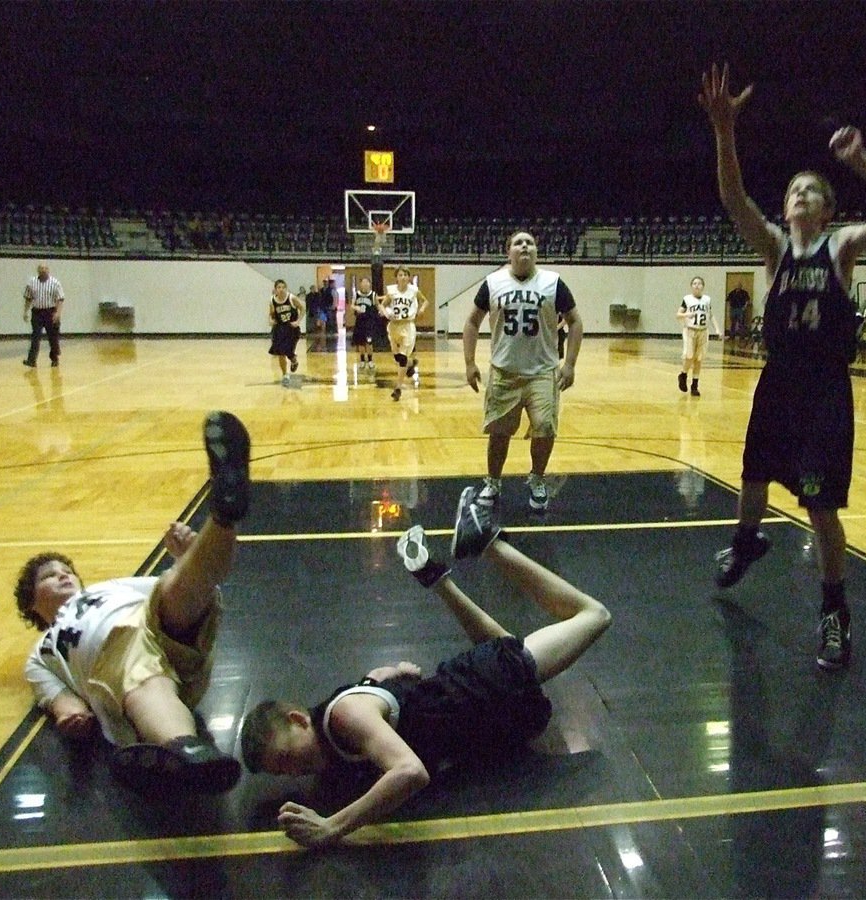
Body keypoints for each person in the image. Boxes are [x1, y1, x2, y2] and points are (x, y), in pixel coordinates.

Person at [699, 62, 866, 671]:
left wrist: (862, 161)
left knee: (821, 509)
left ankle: (834, 612)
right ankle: (746, 543)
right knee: (751, 477)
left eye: (812, 191)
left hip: (825, 389)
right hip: (778, 382)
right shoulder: (771, 247)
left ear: (826, 210)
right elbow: (731, 196)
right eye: (795, 190)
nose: (800, 196)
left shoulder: (841, 248)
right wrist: (724, 130)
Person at [239, 488, 611, 849]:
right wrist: (394, 676)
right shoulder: (338, 725)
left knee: (593, 616)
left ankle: (489, 544)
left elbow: (410, 772)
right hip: (488, 713)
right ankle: (439, 580)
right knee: (505, 650)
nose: (293, 772)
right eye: (281, 772)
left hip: (484, 686)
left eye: (287, 757)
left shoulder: (344, 716)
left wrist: (330, 828)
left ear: (299, 720)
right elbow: (375, 679)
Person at [16, 410, 251, 792]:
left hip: (173, 638)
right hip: (117, 663)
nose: (63, 575)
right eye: (49, 576)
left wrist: (187, 555)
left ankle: (224, 513)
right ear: (31, 605)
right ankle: (184, 747)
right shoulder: (40, 653)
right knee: (141, 671)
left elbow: (181, 587)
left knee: (179, 586)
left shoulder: (109, 587)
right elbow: (63, 705)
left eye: (67, 570)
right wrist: (72, 718)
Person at [463, 231, 583, 512]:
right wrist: (469, 362)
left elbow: (575, 322)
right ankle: (493, 482)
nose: (525, 246)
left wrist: (570, 364)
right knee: (499, 432)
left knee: (545, 429)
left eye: (530, 242)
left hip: (542, 372)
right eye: (518, 242)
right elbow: (471, 322)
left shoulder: (553, 282)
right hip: (504, 372)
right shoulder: (493, 283)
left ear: (536, 251)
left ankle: (537, 479)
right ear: (509, 253)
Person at [381, 266, 429, 401]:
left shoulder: (413, 290)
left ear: (409, 277)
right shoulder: (391, 291)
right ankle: (411, 364)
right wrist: (385, 313)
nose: (403, 277)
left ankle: (398, 388)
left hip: (407, 325)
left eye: (405, 275)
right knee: (397, 358)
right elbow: (383, 305)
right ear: (396, 277)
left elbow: (425, 301)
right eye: (400, 275)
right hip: (394, 326)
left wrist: (422, 309)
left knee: (402, 358)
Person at [677, 275, 722, 396]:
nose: (697, 285)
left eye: (699, 283)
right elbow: (678, 314)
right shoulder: (687, 299)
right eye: (694, 283)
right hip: (690, 330)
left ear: (703, 286)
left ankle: (695, 385)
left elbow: (711, 315)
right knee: (689, 355)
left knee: (699, 359)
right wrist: (687, 314)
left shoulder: (707, 299)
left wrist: (717, 329)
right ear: (691, 286)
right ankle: (683, 374)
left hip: (703, 331)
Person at [23, 263, 64, 368]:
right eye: (41, 269)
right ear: (38, 270)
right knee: (35, 336)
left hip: (50, 312)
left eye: (45, 268)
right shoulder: (32, 282)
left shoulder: (55, 283)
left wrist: (58, 313)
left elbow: (60, 299)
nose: (43, 270)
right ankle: (31, 360)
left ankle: (54, 358)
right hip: (37, 312)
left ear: (48, 270)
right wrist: (25, 312)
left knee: (53, 337)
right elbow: (28, 298)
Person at [268, 279, 305, 386]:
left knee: (288, 350)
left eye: (283, 287)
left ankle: (294, 360)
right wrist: (270, 320)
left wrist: (298, 321)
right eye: (279, 287)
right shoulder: (272, 300)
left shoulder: (291, 298)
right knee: (281, 352)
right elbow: (271, 314)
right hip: (279, 329)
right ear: (275, 289)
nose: (281, 289)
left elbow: (302, 308)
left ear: (286, 288)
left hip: (292, 329)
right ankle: (285, 375)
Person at [351, 275, 379, 374]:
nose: (365, 285)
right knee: (360, 343)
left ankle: (370, 360)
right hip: (360, 321)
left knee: (369, 342)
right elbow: (352, 305)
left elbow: (378, 306)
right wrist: (356, 308)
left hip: (369, 322)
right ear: (360, 284)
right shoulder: (356, 294)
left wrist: (382, 312)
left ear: (369, 284)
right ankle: (362, 360)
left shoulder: (373, 294)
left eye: (367, 283)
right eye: (363, 283)